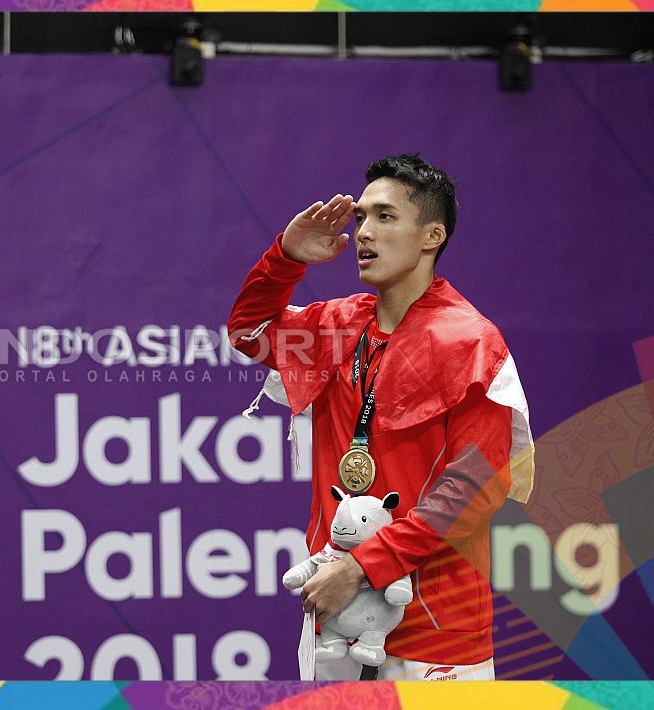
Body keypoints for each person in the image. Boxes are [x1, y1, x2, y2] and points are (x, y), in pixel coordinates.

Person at [229, 154, 534, 681]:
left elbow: (475, 486)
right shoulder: (335, 326)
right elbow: (247, 336)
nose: (364, 233)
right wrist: (285, 258)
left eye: (385, 217)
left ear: (431, 235)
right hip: (338, 621)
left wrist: (364, 566)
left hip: (438, 631)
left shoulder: (471, 340)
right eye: (361, 218)